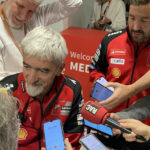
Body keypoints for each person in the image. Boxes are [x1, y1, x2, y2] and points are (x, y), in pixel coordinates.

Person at [0, 26, 84, 150]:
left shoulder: (72, 90)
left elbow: (73, 140)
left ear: (59, 69)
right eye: (27, 67)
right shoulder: (6, 90)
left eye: (43, 71)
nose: (32, 78)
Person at [0, 0, 82, 80]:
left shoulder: (36, 17)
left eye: (31, 11)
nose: (23, 16)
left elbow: (74, 4)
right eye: (20, 6)